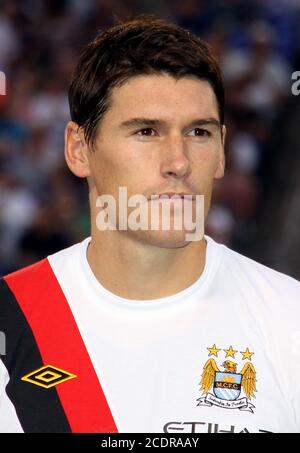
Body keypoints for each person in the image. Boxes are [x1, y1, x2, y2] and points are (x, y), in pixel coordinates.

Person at [0, 16, 300, 434]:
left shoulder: (291, 321)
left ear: (221, 152)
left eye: (198, 132)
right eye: (146, 131)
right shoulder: (9, 323)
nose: (178, 162)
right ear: (78, 149)